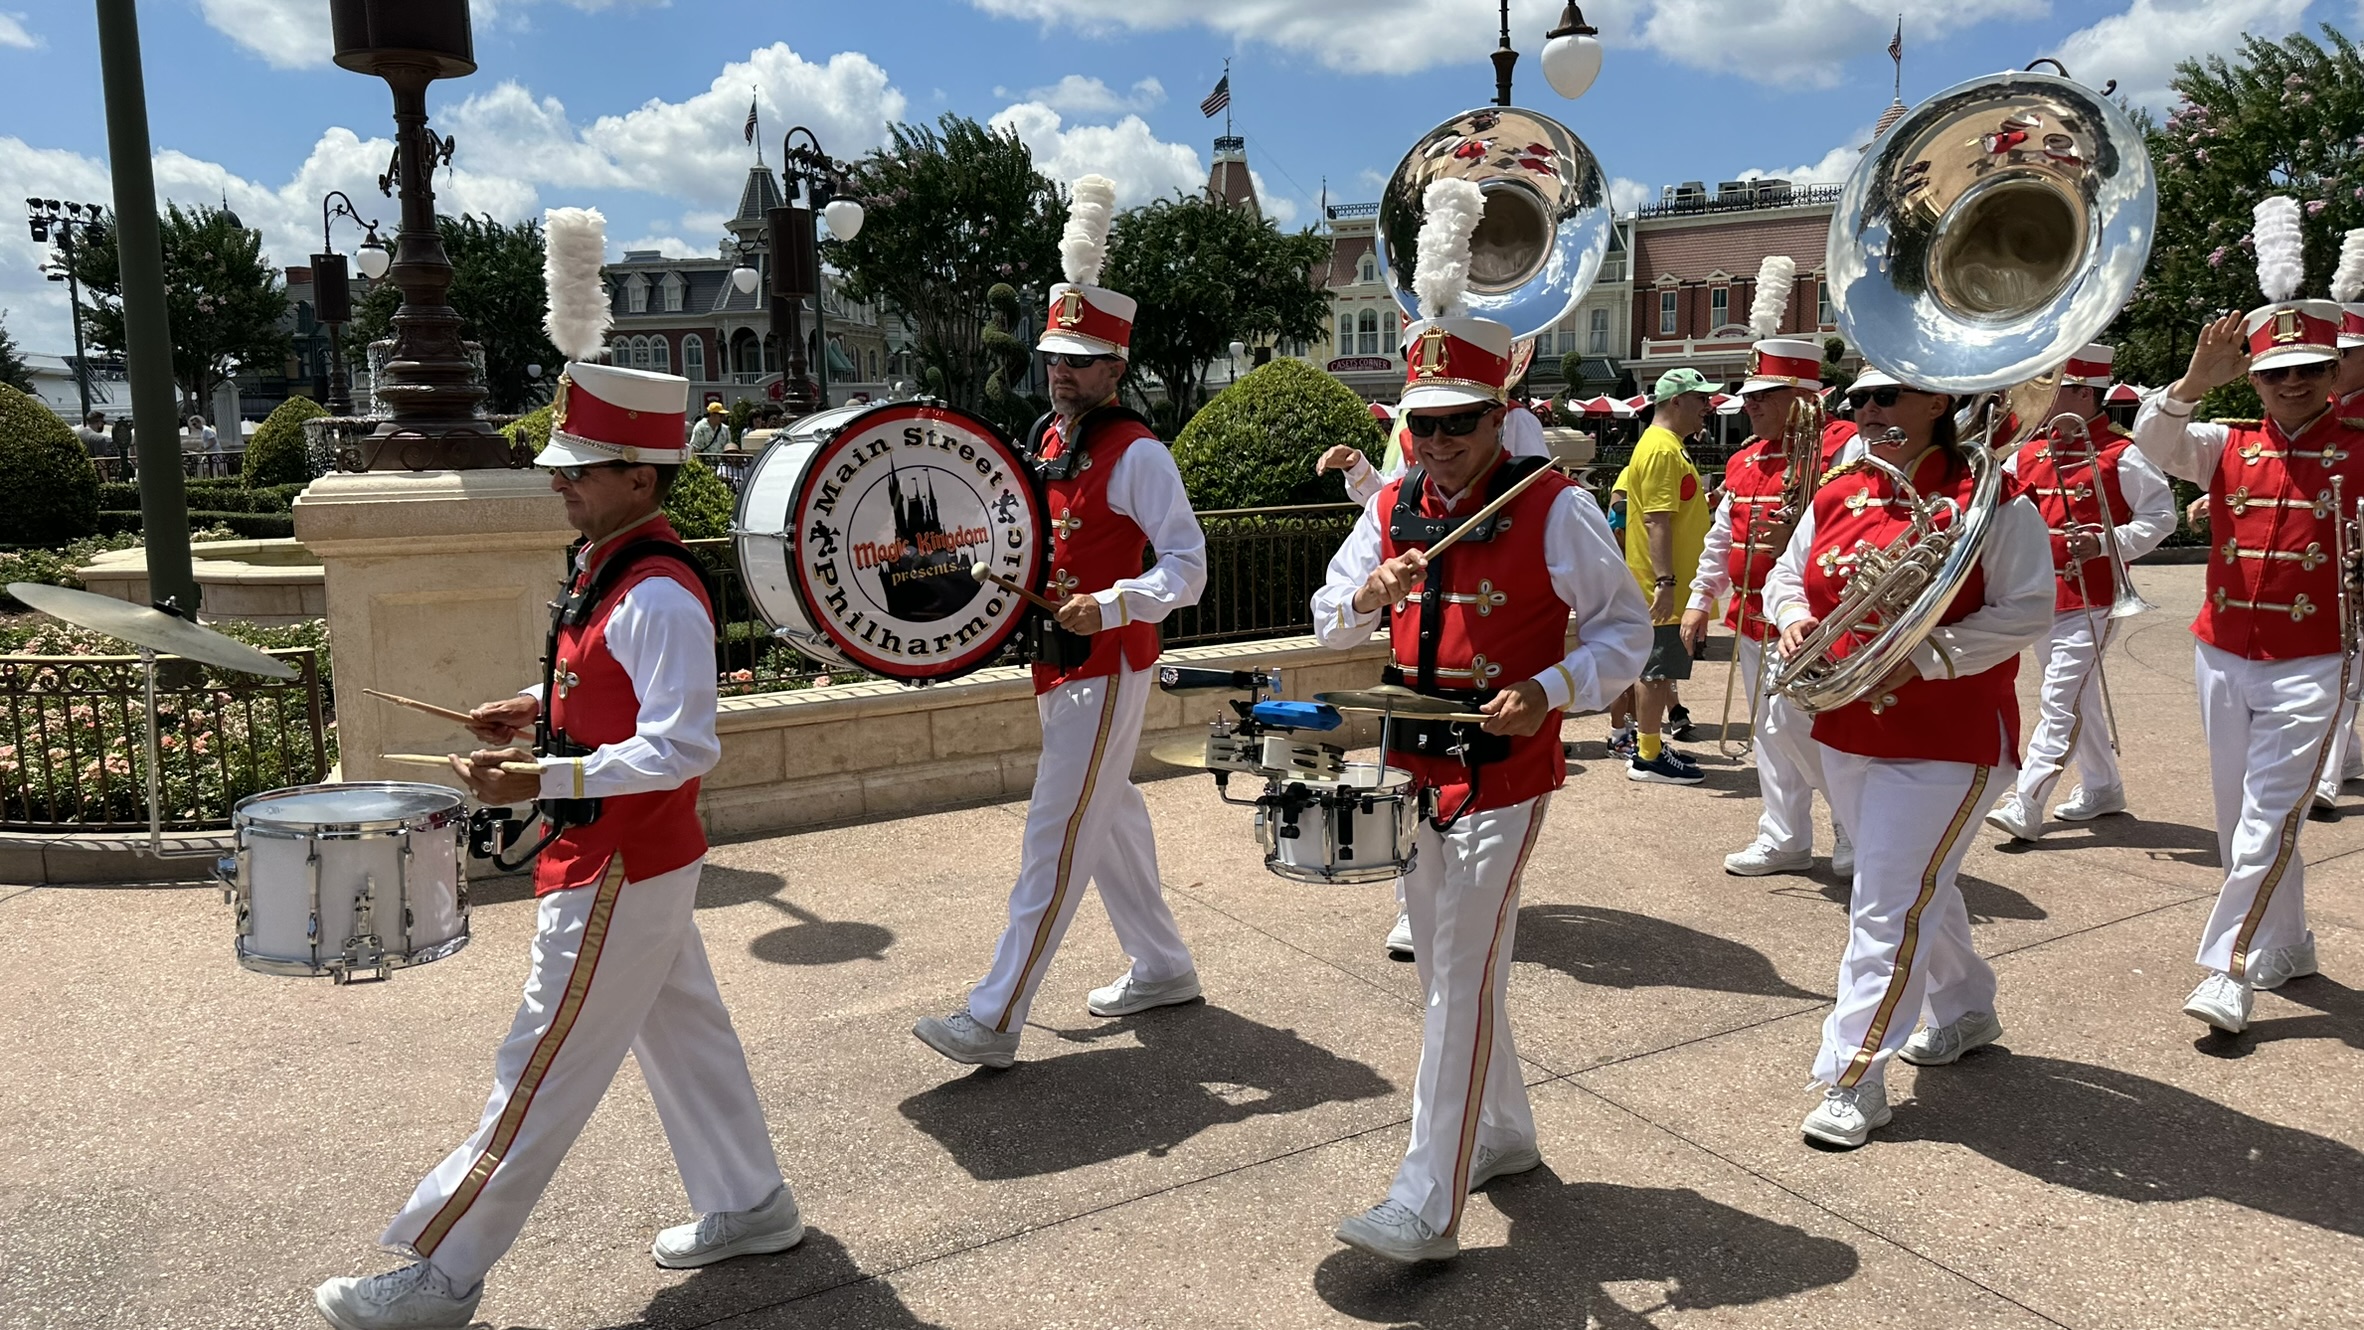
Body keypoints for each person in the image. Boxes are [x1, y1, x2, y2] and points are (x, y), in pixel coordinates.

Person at [313, 360, 798, 1330]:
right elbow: (606, 701)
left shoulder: (655, 588)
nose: (558, 479)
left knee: (535, 1072)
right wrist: (533, 713)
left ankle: (439, 1269)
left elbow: (683, 744)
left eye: (580, 466)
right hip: (629, 857)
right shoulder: (612, 567)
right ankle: (751, 1200)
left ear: (641, 478)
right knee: (688, 1037)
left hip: (618, 862)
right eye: (562, 463)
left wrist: (544, 776)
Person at [1310, 229, 1649, 1261]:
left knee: (1457, 970)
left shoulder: (1554, 507)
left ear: (1501, 416)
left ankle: (1427, 1199)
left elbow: (1626, 633)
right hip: (1413, 761)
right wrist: (1364, 597)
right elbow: (1327, 618)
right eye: (1425, 427)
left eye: (1460, 425)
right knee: (1450, 971)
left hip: (1504, 772)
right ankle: (1501, 1130)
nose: (1441, 444)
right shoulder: (1392, 504)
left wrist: (1549, 689)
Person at [913, 174, 1209, 1069]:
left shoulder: (1138, 451)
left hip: (1108, 666)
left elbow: (1189, 568)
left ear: (1117, 367)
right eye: (1054, 356)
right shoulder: (1048, 440)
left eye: (1080, 359)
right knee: (1106, 815)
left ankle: (994, 1016)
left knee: (1058, 830)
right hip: (1058, 664)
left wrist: (1114, 603)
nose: (1062, 371)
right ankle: (1162, 965)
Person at [1762, 365, 2052, 1148]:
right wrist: (1790, 616)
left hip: (1945, 736)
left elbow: (2029, 607)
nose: (1867, 411)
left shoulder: (1992, 498)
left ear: (1937, 401)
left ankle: (1853, 1075)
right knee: (1919, 884)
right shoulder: (1839, 488)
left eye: (1885, 396)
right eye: (1858, 399)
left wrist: (1923, 657)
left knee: (1884, 903)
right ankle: (1965, 1007)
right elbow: (1789, 574)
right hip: (1846, 726)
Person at [2130, 282, 2364, 1033]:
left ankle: (2228, 965)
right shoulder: (2227, 442)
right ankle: (2288, 943)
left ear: (2336, 374)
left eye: (2310, 369)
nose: (2293, 383)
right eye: (2274, 371)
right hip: (2222, 650)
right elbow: (2151, 448)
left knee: (2269, 817)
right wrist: (2196, 384)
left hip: (2316, 658)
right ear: (2253, 377)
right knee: (2242, 820)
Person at [1683, 333, 1857, 877]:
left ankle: (1855, 823)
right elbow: (1719, 537)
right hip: (1754, 618)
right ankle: (1785, 837)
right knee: (1770, 733)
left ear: (1805, 397)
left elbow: (1863, 531)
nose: (1751, 404)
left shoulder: (1846, 448)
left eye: (1765, 394)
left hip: (1814, 621)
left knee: (1798, 726)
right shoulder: (1745, 459)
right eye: (1750, 394)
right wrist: (1699, 597)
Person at [1986, 345, 2175, 841]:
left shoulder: (2122, 453)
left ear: (2087, 395)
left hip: (2092, 595)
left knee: (2059, 697)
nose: (2043, 402)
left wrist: (2104, 543)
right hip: (2035, 594)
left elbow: (2161, 517)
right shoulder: (2029, 452)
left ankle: (2028, 799)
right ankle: (2103, 785)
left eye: (2057, 392)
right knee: (2076, 696)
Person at [1623, 368, 1717, 784]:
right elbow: (1656, 520)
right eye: (1700, 400)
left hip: (1666, 582)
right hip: (1662, 585)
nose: (1707, 408)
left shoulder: (1664, 446)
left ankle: (1652, 746)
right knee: (1657, 670)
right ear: (1676, 402)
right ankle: (1647, 755)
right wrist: (1665, 582)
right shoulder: (1662, 449)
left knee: (1660, 669)